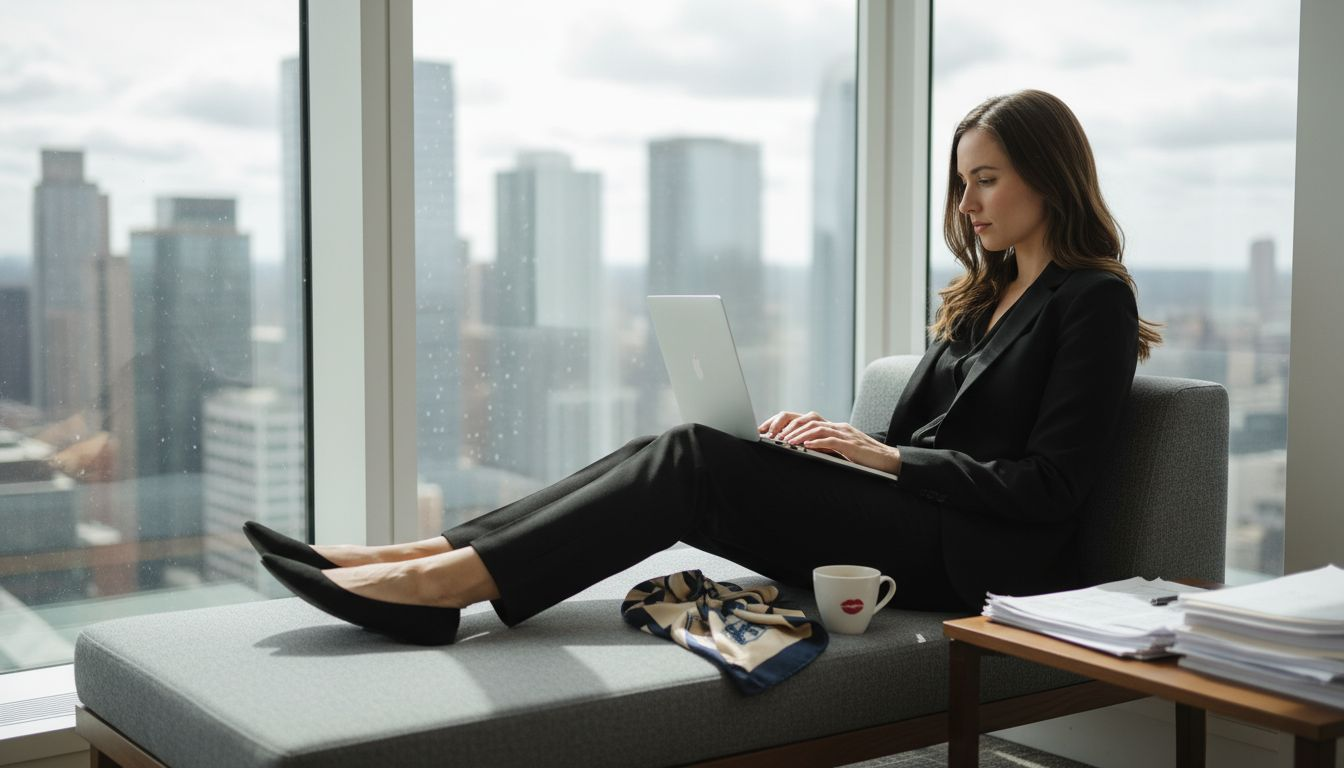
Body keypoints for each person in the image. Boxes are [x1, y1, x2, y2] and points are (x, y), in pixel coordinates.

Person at [248, 89, 1161, 646]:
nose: (965, 205)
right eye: (961, 183)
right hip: (915, 522)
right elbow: (924, 434)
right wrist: (833, 445)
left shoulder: (1092, 301)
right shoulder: (982, 294)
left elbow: (1052, 488)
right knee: (678, 443)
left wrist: (886, 460)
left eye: (985, 179)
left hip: (978, 562)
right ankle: (422, 555)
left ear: (1050, 176)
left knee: (693, 459)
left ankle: (439, 590)